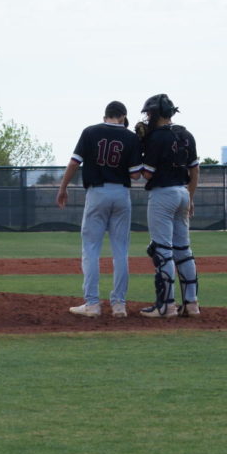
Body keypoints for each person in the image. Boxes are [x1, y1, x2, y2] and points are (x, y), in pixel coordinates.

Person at [56, 101, 143, 318]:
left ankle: (93, 304)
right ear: (123, 116)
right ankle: (119, 305)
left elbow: (74, 163)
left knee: (91, 250)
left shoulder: (90, 132)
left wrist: (63, 187)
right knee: (121, 250)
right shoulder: (131, 137)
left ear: (105, 116)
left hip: (97, 193)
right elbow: (135, 175)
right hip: (121, 194)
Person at [136, 93, 201, 318]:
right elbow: (194, 170)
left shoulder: (157, 138)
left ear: (156, 113)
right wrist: (190, 198)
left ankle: (166, 305)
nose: (147, 117)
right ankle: (192, 304)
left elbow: (146, 174)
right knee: (183, 250)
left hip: (163, 194)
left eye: (149, 113)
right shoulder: (186, 134)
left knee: (162, 250)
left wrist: (140, 150)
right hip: (183, 192)